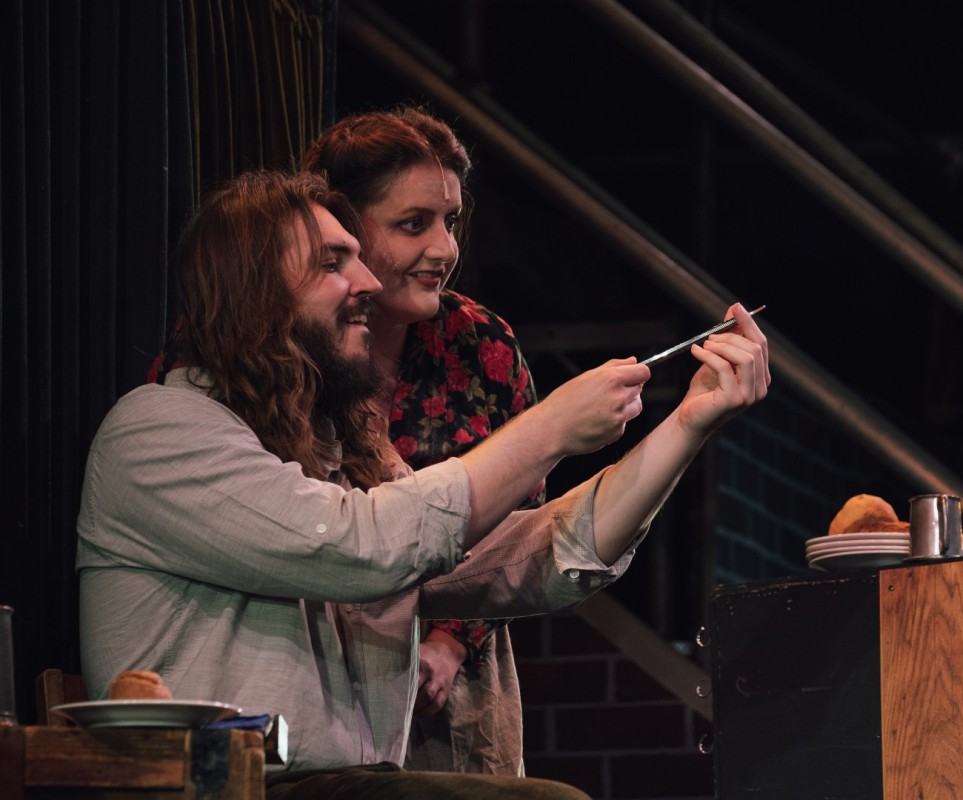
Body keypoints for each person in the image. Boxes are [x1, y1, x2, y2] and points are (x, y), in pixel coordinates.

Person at [76, 170, 769, 797]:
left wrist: (688, 423)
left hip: (343, 786)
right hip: (219, 790)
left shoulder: (340, 452)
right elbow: (359, 547)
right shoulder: (160, 430)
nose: (368, 284)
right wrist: (549, 427)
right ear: (253, 287)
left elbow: (532, 561)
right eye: (332, 262)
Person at [299, 108, 541, 776]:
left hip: (454, 681)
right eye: (414, 224)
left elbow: (516, 518)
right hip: (309, 665)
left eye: (450, 221)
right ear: (341, 227)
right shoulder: (271, 348)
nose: (444, 249)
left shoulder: (479, 344)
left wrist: (447, 643)